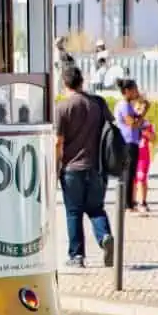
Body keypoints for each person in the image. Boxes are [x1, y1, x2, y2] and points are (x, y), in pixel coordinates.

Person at [54, 65, 115, 268]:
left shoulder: (63, 108)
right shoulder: (98, 103)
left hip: (72, 168)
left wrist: (56, 167)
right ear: (82, 82)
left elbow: (58, 141)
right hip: (96, 166)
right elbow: (111, 129)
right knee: (96, 208)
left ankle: (77, 256)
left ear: (65, 83)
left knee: (73, 212)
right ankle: (104, 235)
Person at [113, 79, 146, 210]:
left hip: (131, 141)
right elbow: (132, 123)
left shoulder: (128, 105)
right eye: (135, 90)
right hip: (128, 142)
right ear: (127, 91)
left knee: (129, 173)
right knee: (128, 173)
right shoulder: (124, 105)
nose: (137, 92)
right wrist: (143, 113)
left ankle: (128, 201)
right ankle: (127, 203)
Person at [132, 97, 154, 214]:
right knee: (133, 180)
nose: (141, 111)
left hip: (143, 156)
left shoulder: (147, 124)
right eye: (138, 108)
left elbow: (153, 138)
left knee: (141, 179)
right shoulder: (130, 122)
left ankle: (142, 201)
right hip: (132, 155)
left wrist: (146, 133)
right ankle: (132, 201)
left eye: (144, 109)